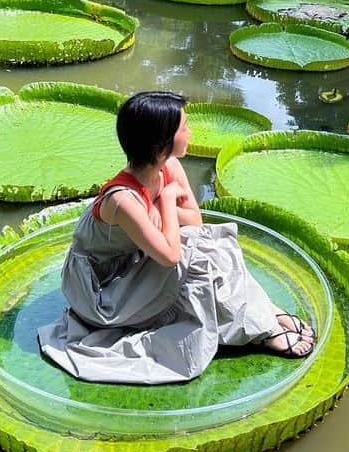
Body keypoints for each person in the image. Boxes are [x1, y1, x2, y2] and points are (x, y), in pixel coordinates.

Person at [37, 91, 315, 384]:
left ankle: (261, 313)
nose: (190, 132)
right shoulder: (122, 201)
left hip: (135, 262)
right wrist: (168, 201)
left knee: (208, 241)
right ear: (160, 145)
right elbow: (170, 257)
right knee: (195, 254)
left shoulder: (168, 166)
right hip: (103, 291)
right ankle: (261, 328)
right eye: (184, 127)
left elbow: (194, 220)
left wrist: (160, 207)